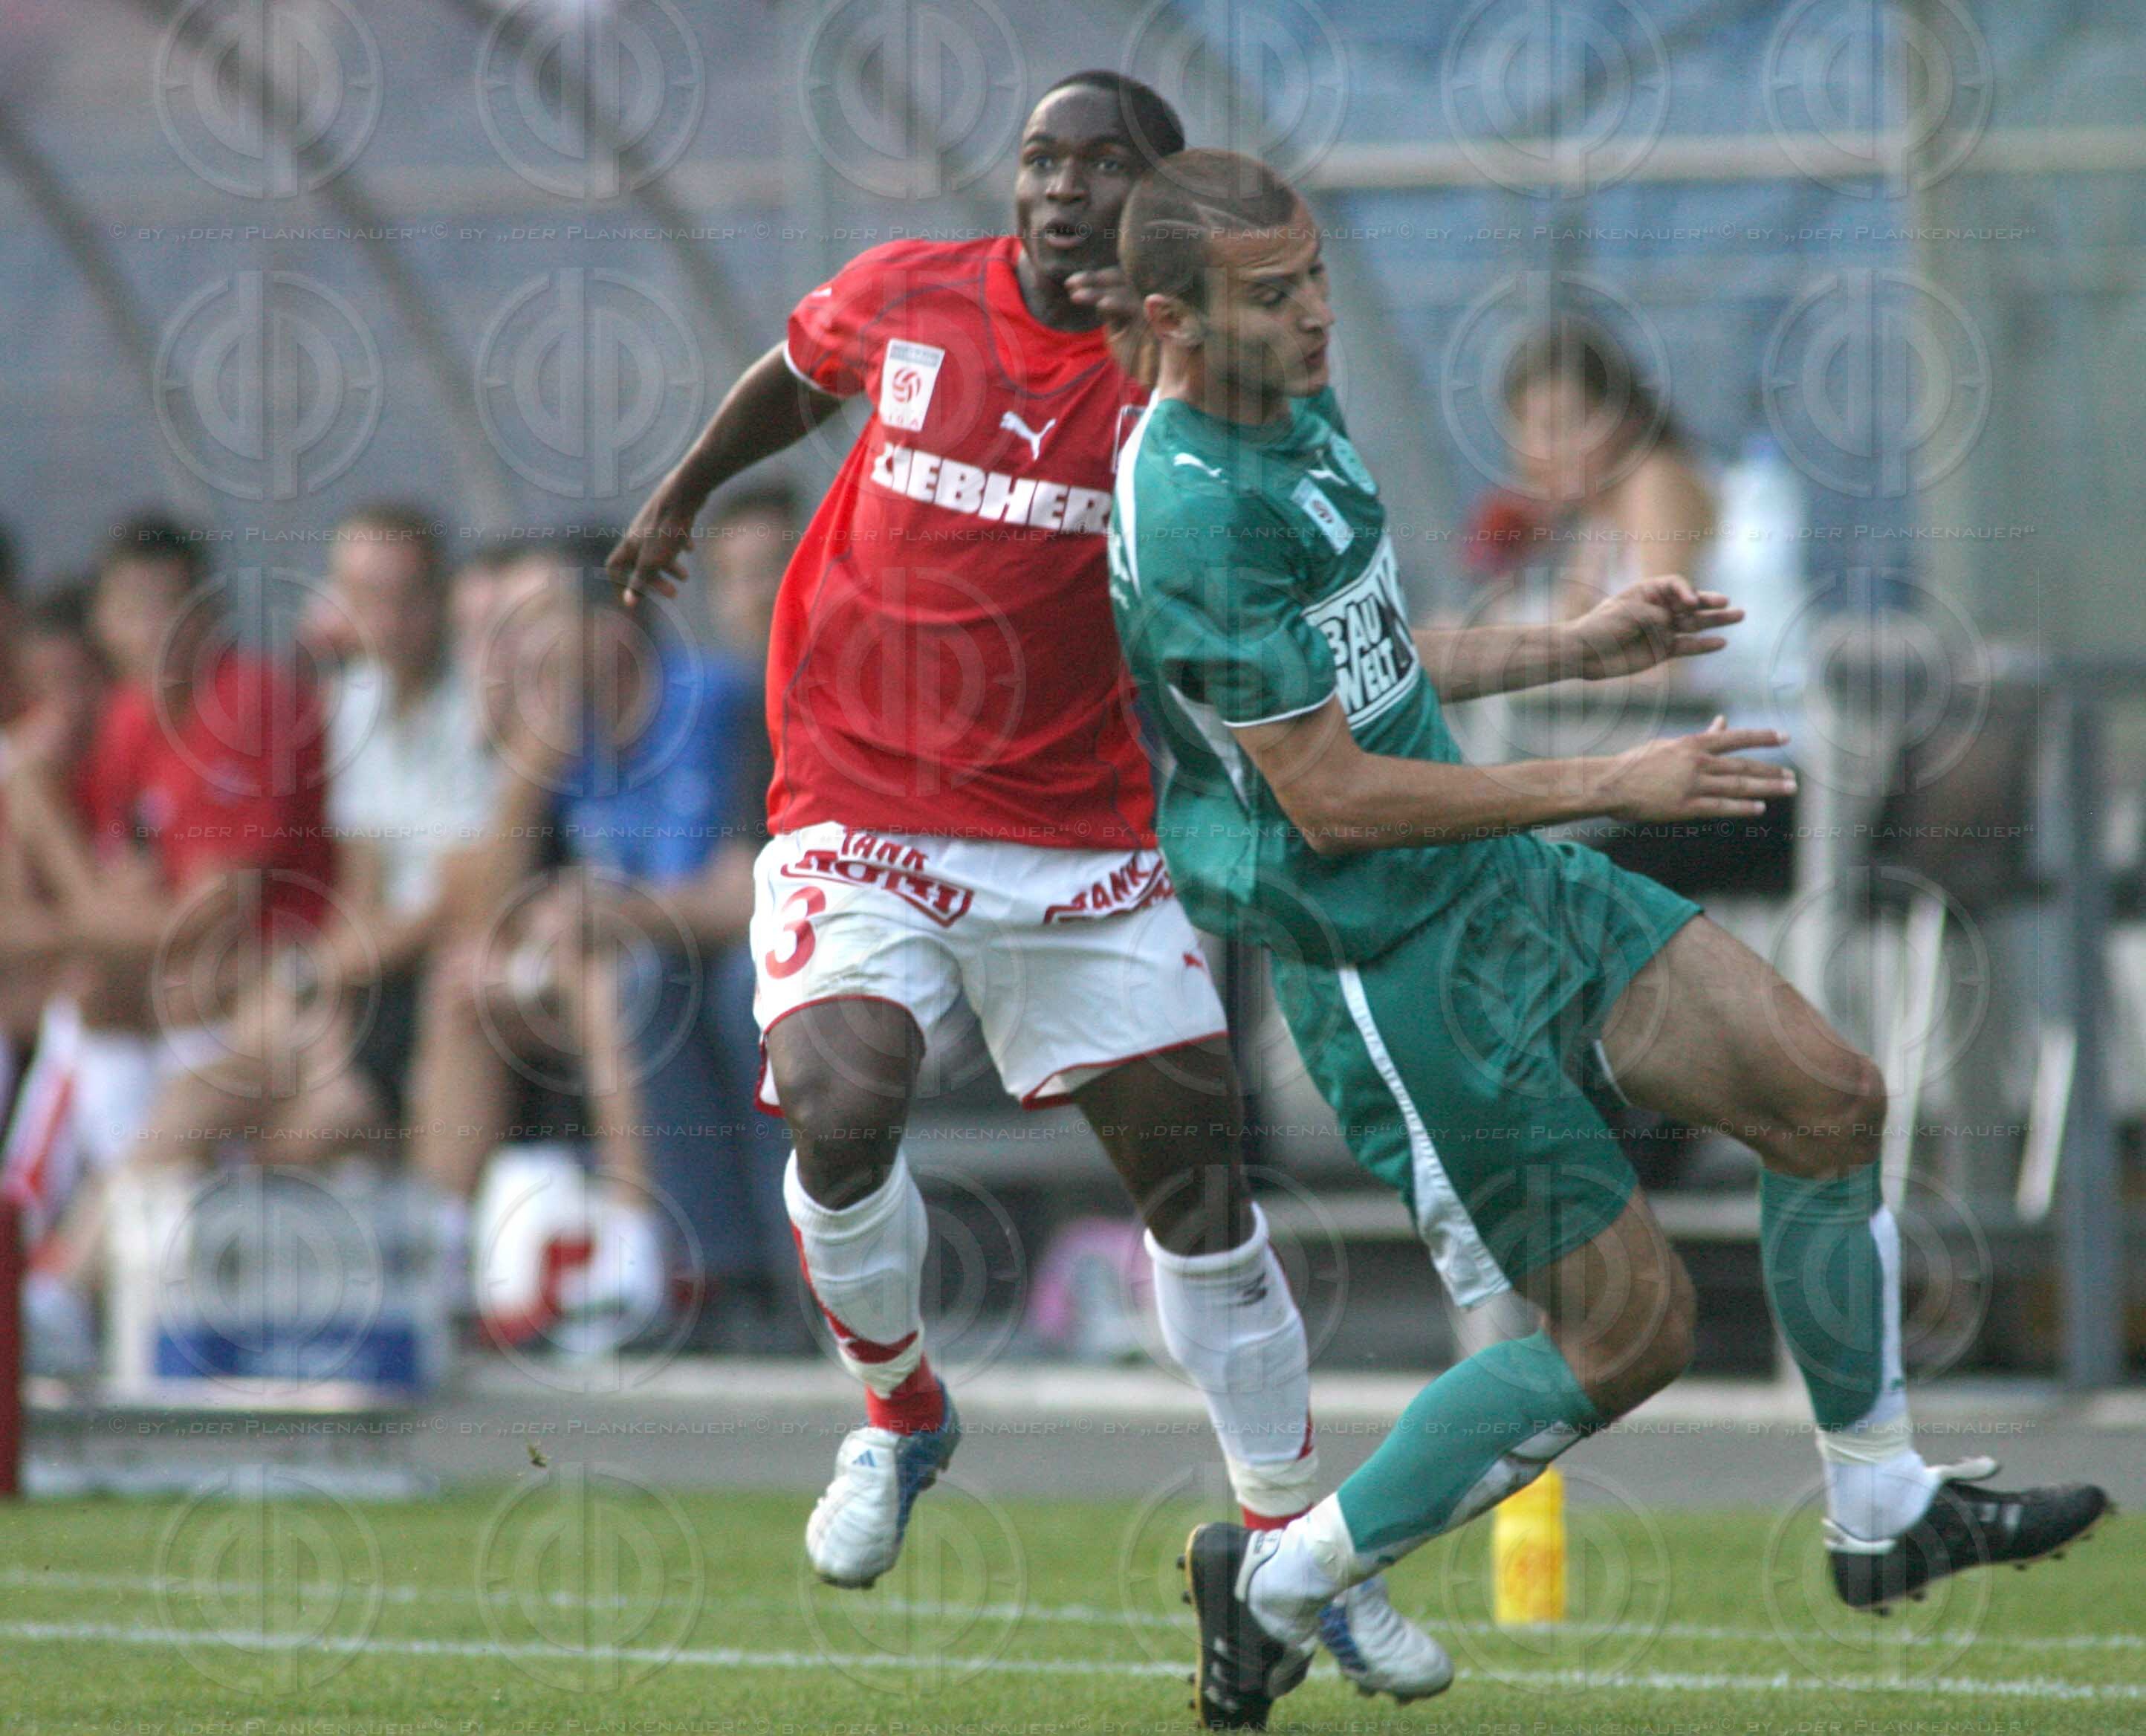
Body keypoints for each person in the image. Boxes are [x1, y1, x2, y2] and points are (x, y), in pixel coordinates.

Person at [1106, 149, 2110, 1729]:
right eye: (1274, 293)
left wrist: (1571, 646)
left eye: (1316, 278)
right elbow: (1332, 798)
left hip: (1499, 883)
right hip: (1390, 962)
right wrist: (1611, 778)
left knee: (1826, 1097)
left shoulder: (1290, 409)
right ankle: (1287, 1579)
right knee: (1627, 1333)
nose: (1316, 315)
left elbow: (1372, 657)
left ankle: (1881, 1507)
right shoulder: (1190, 510)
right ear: (1172, 321)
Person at [606, 71, 1448, 1697]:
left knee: (1197, 1193)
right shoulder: (909, 295)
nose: (1060, 188)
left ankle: (1294, 1547)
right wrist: (683, 490)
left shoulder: (1192, 392)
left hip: (1083, 839)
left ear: (1157, 205)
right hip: (861, 804)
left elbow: (1300, 558)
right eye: (1041, 159)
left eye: (1101, 165)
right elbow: (796, 374)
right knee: (838, 1096)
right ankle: (899, 1414)